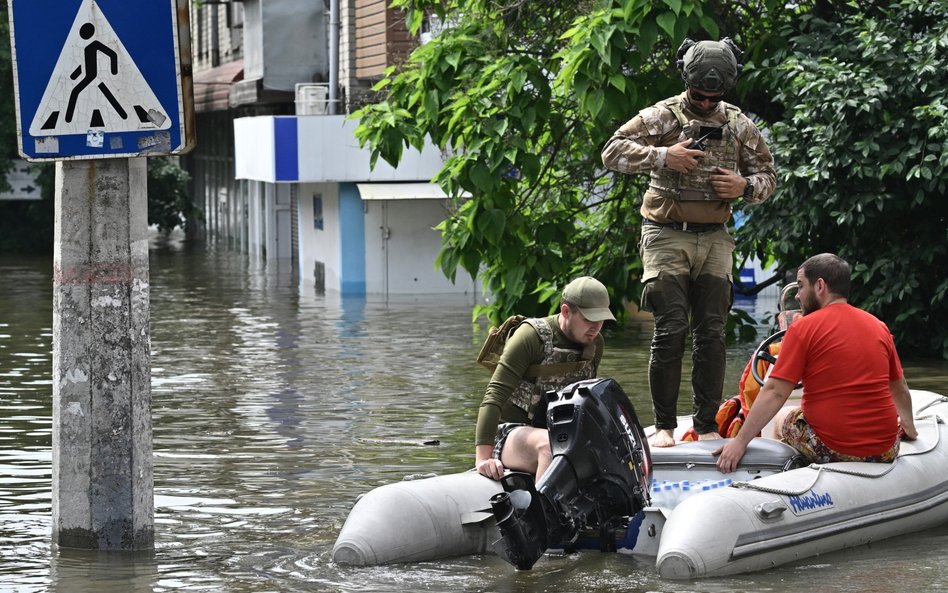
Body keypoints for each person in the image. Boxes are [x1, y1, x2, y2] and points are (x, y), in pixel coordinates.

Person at [600, 37, 777, 447]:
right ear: (687, 84)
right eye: (698, 95)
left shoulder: (738, 124)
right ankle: (664, 426)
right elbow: (612, 152)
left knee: (712, 332)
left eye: (713, 97)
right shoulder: (662, 116)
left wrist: (743, 185)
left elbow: (769, 178)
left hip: (714, 236)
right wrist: (664, 157)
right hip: (665, 232)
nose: (704, 102)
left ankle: (708, 424)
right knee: (671, 327)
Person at [714, 254, 918, 472]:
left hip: (832, 447)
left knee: (784, 415)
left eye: (801, 286)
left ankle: (781, 481)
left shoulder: (803, 328)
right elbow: (899, 387)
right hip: (884, 449)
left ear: (820, 286)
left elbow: (775, 392)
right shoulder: (879, 327)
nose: (799, 296)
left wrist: (739, 442)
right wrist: (909, 427)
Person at [474, 276, 615, 480]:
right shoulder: (530, 337)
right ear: (566, 311)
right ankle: (543, 510)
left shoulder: (595, 343)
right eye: (588, 319)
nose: (596, 327)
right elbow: (494, 396)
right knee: (550, 447)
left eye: (601, 320)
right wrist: (482, 460)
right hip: (510, 434)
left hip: (559, 431)